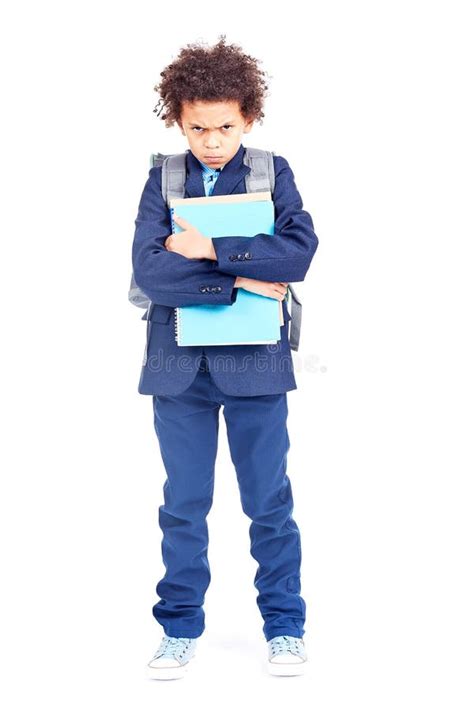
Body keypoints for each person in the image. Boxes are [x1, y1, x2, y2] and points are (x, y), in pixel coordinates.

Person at [131, 35, 319, 680]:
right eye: (197, 127)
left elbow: (296, 254)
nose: (212, 141)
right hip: (178, 369)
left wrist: (205, 248)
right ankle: (178, 629)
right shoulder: (163, 177)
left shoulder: (273, 171)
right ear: (176, 120)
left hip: (256, 364)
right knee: (183, 503)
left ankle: (285, 626)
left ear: (249, 115)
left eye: (225, 127)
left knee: (269, 501)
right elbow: (150, 273)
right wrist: (240, 274)